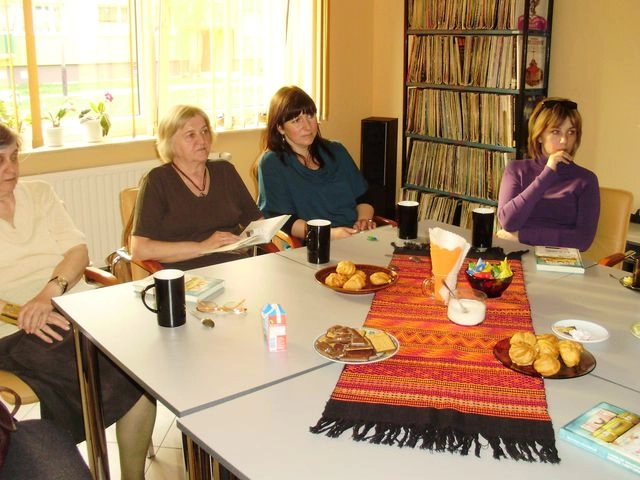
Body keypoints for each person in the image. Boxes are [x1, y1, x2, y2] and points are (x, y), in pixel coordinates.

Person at [0, 124, 156, 480]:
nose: (11, 168)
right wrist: (27, 312)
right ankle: (63, 460)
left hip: (69, 305)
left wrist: (48, 295)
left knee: (141, 366)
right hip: (14, 327)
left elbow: (77, 251)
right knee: (112, 368)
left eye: (14, 157)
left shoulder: (39, 192)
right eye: (0, 160)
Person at [131, 104, 262, 269]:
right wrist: (203, 248)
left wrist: (244, 242)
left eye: (204, 131)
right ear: (170, 143)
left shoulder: (225, 171)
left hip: (237, 267)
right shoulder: (157, 181)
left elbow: (257, 222)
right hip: (188, 274)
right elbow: (139, 249)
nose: (202, 140)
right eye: (190, 135)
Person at [254, 86, 377, 241]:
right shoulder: (272, 163)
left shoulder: (336, 151)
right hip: (314, 243)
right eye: (296, 120)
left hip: (355, 236)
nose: (307, 126)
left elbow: (364, 197)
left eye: (310, 116)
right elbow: (281, 220)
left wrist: (364, 220)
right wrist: (329, 235)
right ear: (280, 128)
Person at [496, 97, 600, 250]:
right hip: (517, 254)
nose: (564, 140)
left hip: (560, 260)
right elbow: (508, 222)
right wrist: (548, 172)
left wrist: (521, 236)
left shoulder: (586, 180)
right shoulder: (516, 170)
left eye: (571, 132)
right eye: (556, 131)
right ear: (539, 136)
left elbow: (583, 241)